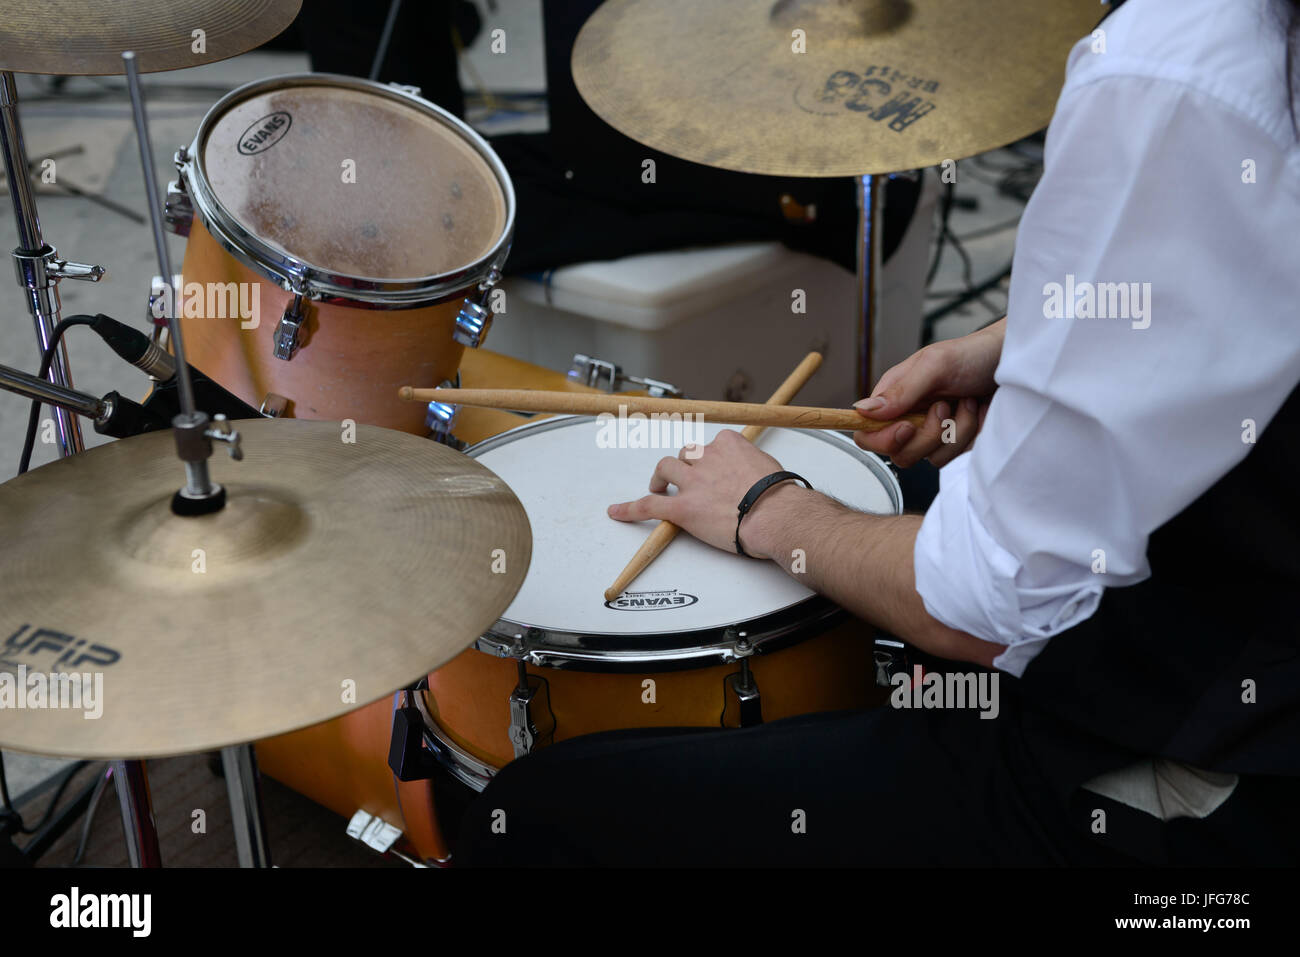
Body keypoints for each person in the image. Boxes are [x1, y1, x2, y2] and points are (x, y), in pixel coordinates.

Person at [455, 0, 1300, 866]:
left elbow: (983, 606)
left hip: (1213, 785)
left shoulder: (1183, 69)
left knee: (535, 811)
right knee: (895, 508)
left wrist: (769, 509)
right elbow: (1245, 282)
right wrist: (1018, 349)